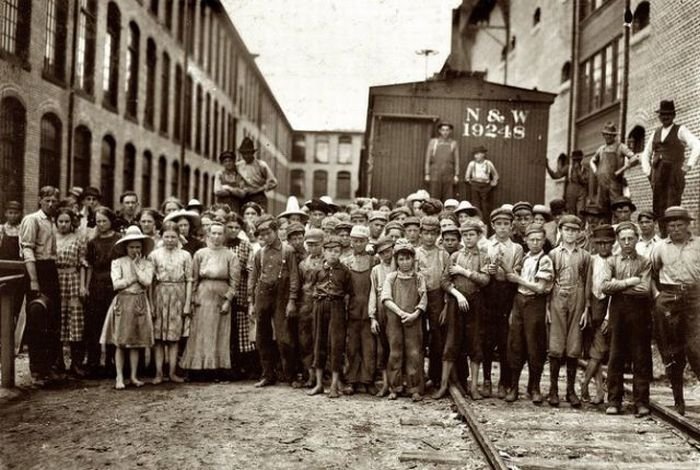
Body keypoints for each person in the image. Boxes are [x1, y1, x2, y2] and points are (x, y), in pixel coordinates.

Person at [649, 206, 700, 415]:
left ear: (689, 225)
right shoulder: (660, 247)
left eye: (680, 225)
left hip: (695, 299)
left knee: (696, 348)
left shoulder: (698, 245)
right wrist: (657, 296)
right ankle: (678, 399)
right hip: (669, 299)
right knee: (672, 350)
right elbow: (651, 274)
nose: (676, 229)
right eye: (671, 225)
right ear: (666, 227)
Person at [602, 222, 653, 417]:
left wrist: (618, 285)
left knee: (640, 357)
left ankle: (641, 402)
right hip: (618, 312)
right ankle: (614, 401)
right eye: (622, 239)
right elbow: (605, 286)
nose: (626, 242)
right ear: (618, 240)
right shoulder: (612, 262)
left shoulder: (645, 262)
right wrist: (630, 282)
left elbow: (645, 289)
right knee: (615, 356)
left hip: (639, 314)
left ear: (637, 239)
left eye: (630, 238)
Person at [437, 221, 490, 400]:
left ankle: (474, 387)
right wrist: (457, 295)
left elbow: (484, 280)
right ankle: (444, 385)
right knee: (451, 341)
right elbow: (444, 281)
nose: (469, 238)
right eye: (466, 235)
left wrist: (465, 272)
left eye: (472, 235)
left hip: (475, 303)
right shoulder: (454, 256)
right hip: (456, 302)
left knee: (475, 343)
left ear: (478, 236)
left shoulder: (483, 256)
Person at [180, 221, 240, 375]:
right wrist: (192, 298)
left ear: (224, 235)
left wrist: (228, 300)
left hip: (220, 296)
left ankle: (217, 369)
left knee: (219, 333)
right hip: (203, 295)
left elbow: (235, 282)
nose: (216, 236)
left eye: (220, 233)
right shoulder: (200, 254)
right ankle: (197, 369)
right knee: (199, 332)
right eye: (213, 233)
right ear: (208, 234)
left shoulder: (230, 255)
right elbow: (193, 278)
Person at [100, 226, 155, 389]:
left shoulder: (146, 263)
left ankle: (133, 376)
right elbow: (117, 284)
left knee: (136, 342)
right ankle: (119, 377)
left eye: (138, 247)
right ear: (126, 247)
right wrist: (132, 278)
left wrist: (137, 268)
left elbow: (147, 282)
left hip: (139, 302)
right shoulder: (118, 262)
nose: (135, 250)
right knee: (121, 342)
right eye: (131, 247)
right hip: (123, 302)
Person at [504, 224, 553, 403]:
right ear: (525, 240)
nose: (535, 243)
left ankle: (534, 387)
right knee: (516, 344)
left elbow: (540, 287)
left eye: (538, 239)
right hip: (519, 302)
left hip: (535, 303)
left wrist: (518, 280)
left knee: (535, 347)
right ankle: (514, 387)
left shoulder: (545, 260)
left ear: (543, 241)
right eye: (531, 239)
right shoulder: (525, 258)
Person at [248, 215, 299, 387]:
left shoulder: (288, 251)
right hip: (263, 294)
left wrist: (292, 300)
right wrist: (251, 302)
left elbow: (293, 277)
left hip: (281, 295)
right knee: (262, 336)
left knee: (284, 337)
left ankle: (290, 374)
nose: (266, 237)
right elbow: (253, 278)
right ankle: (267, 374)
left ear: (276, 231)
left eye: (268, 233)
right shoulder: (259, 253)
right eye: (262, 234)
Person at [19, 186, 62, 385]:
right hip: (37, 270)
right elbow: (27, 251)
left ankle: (48, 368)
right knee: (38, 319)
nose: (51, 204)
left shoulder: (53, 221)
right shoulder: (32, 219)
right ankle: (37, 371)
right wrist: (34, 280)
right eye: (47, 200)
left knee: (52, 321)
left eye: (54, 200)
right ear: (40, 200)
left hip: (51, 270)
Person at [547, 215, 591, 408]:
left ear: (579, 232)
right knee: (556, 345)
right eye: (567, 230)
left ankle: (570, 391)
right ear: (561, 231)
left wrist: (586, 309)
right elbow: (548, 282)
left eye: (574, 230)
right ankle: (553, 390)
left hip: (578, 296)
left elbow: (588, 283)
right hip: (557, 296)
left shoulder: (585, 256)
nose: (570, 233)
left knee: (574, 345)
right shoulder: (554, 254)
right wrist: (547, 307)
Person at [483, 207, 523, 398]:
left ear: (511, 226)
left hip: (507, 294)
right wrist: (488, 270)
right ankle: (487, 380)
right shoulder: (485, 245)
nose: (502, 228)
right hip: (489, 293)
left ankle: (504, 381)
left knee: (505, 339)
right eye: (498, 224)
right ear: (493, 225)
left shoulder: (516, 248)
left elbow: (515, 273)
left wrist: (505, 271)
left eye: (506, 224)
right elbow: (480, 268)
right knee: (487, 339)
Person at [382, 238, 428, 401]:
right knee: (395, 352)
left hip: (413, 320)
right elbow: (386, 298)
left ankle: (414, 387)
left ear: (412, 259)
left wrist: (415, 314)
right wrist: (400, 312)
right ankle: (395, 387)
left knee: (414, 353)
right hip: (395, 319)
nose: (405, 262)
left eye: (408, 258)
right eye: (401, 259)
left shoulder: (419, 278)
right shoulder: (391, 278)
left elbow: (423, 299)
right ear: (396, 260)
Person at [307, 236, 353, 399]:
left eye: (337, 252)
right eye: (330, 251)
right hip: (320, 305)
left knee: (336, 344)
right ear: (324, 252)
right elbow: (311, 287)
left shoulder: (345, 271)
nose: (333, 255)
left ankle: (334, 384)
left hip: (337, 306)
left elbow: (349, 291)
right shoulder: (317, 270)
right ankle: (319, 384)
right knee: (319, 342)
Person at [639, 100, 700, 221]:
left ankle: (672, 237)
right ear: (659, 116)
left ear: (673, 115)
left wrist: (688, 166)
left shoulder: (680, 130)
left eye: (668, 114)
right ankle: (663, 236)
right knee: (658, 207)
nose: (665, 117)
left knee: (672, 207)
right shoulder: (655, 133)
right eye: (662, 114)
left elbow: (697, 145)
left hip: (673, 175)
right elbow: (645, 154)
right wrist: (649, 172)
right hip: (657, 176)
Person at [148, 222, 192, 384]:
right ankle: (159, 373)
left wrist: (187, 303)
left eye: (173, 237)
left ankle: (172, 373)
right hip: (160, 294)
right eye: (167, 237)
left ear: (178, 237)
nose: (170, 240)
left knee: (174, 338)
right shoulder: (154, 255)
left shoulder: (185, 255)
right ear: (161, 236)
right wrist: (151, 304)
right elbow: (151, 281)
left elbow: (189, 280)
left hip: (178, 295)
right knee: (159, 338)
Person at [84, 207, 121, 377]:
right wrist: (86, 286)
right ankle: (94, 362)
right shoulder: (93, 242)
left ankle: (112, 363)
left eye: (104, 221)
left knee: (113, 323)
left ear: (111, 221)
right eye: (98, 221)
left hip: (114, 285)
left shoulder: (119, 240)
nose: (101, 224)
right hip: (97, 285)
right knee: (95, 323)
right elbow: (90, 265)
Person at [580, 224, 614, 405]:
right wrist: (586, 307)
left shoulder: (615, 261)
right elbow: (587, 284)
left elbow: (614, 293)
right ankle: (600, 391)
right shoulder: (592, 260)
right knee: (594, 352)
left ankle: (584, 385)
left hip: (607, 308)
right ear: (594, 243)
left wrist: (608, 316)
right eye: (599, 243)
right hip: (592, 307)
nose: (603, 247)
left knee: (598, 351)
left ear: (612, 243)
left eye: (607, 243)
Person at [415, 216, 450, 389]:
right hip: (418, 296)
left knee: (437, 337)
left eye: (433, 234)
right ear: (420, 234)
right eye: (426, 233)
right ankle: (417, 377)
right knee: (418, 336)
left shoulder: (443, 254)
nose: (429, 237)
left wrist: (445, 304)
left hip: (437, 296)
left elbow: (446, 280)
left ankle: (435, 376)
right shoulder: (414, 253)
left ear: (438, 235)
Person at [342, 225, 378, 395]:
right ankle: (351, 380)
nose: (358, 244)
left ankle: (367, 380)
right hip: (352, 309)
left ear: (367, 242)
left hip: (369, 309)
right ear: (350, 242)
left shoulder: (373, 261)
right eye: (355, 241)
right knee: (352, 347)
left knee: (369, 347)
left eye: (361, 241)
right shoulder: (346, 262)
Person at [55, 207, 88, 377]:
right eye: (60, 221)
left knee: (75, 321)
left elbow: (82, 263)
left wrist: (83, 285)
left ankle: (76, 362)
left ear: (71, 222)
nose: (63, 224)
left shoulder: (78, 238)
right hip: (57, 281)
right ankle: (59, 362)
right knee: (59, 319)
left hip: (73, 279)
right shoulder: (52, 238)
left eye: (66, 221)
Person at [224, 213, 256, 379]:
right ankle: (225, 365)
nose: (233, 230)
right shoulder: (220, 244)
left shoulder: (245, 246)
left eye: (236, 227)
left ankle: (241, 366)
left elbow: (250, 269)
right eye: (230, 227)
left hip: (241, 289)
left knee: (240, 328)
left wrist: (249, 294)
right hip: (223, 289)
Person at [297, 228, 325, 388]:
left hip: (321, 303)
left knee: (320, 339)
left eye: (316, 244)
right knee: (305, 339)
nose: (313, 248)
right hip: (306, 305)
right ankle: (310, 374)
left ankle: (323, 374)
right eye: (310, 244)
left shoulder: (327, 261)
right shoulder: (302, 264)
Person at [369, 236, 396, 398]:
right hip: (381, 307)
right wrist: (372, 316)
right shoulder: (376, 270)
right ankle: (386, 384)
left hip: (396, 305)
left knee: (395, 346)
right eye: (382, 253)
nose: (386, 255)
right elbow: (373, 292)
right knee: (382, 347)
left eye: (388, 251)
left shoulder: (399, 265)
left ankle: (395, 384)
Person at [589, 122, 636, 213]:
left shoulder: (620, 147)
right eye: (606, 135)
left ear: (613, 136)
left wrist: (622, 169)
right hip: (602, 185)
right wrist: (596, 171)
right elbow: (592, 160)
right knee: (601, 209)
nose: (607, 137)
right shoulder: (601, 149)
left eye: (610, 135)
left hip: (615, 184)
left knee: (616, 207)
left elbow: (634, 158)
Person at [235, 137, 278, 211]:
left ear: (252, 153)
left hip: (258, 197)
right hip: (243, 197)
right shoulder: (238, 166)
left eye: (248, 153)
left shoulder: (261, 165)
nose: (246, 156)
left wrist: (259, 189)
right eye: (244, 154)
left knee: (260, 217)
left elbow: (273, 182)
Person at [546, 150, 589, 217]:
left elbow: (584, 181)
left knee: (581, 212)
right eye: (574, 160)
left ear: (581, 159)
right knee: (571, 212)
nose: (576, 162)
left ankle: (581, 227)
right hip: (571, 190)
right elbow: (556, 176)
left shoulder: (585, 169)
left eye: (578, 160)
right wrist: (547, 167)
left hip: (581, 191)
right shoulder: (568, 168)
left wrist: (578, 171)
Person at [424, 122, 460, 201]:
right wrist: (427, 174)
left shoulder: (453, 143)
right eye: (443, 130)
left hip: (448, 174)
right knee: (434, 197)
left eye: (447, 130)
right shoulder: (433, 142)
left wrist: (456, 175)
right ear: (439, 131)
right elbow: (427, 159)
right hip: (435, 173)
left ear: (450, 131)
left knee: (448, 197)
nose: (445, 132)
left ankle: (446, 213)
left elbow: (456, 160)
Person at [465, 146, 499, 218]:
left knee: (485, 205)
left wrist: (494, 182)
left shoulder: (488, 163)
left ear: (483, 154)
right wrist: (471, 182)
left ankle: (486, 222)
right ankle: (477, 221)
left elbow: (495, 175)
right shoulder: (472, 164)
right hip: (475, 185)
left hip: (486, 186)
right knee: (475, 204)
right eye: (475, 154)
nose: (475, 156)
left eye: (478, 154)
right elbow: (467, 177)